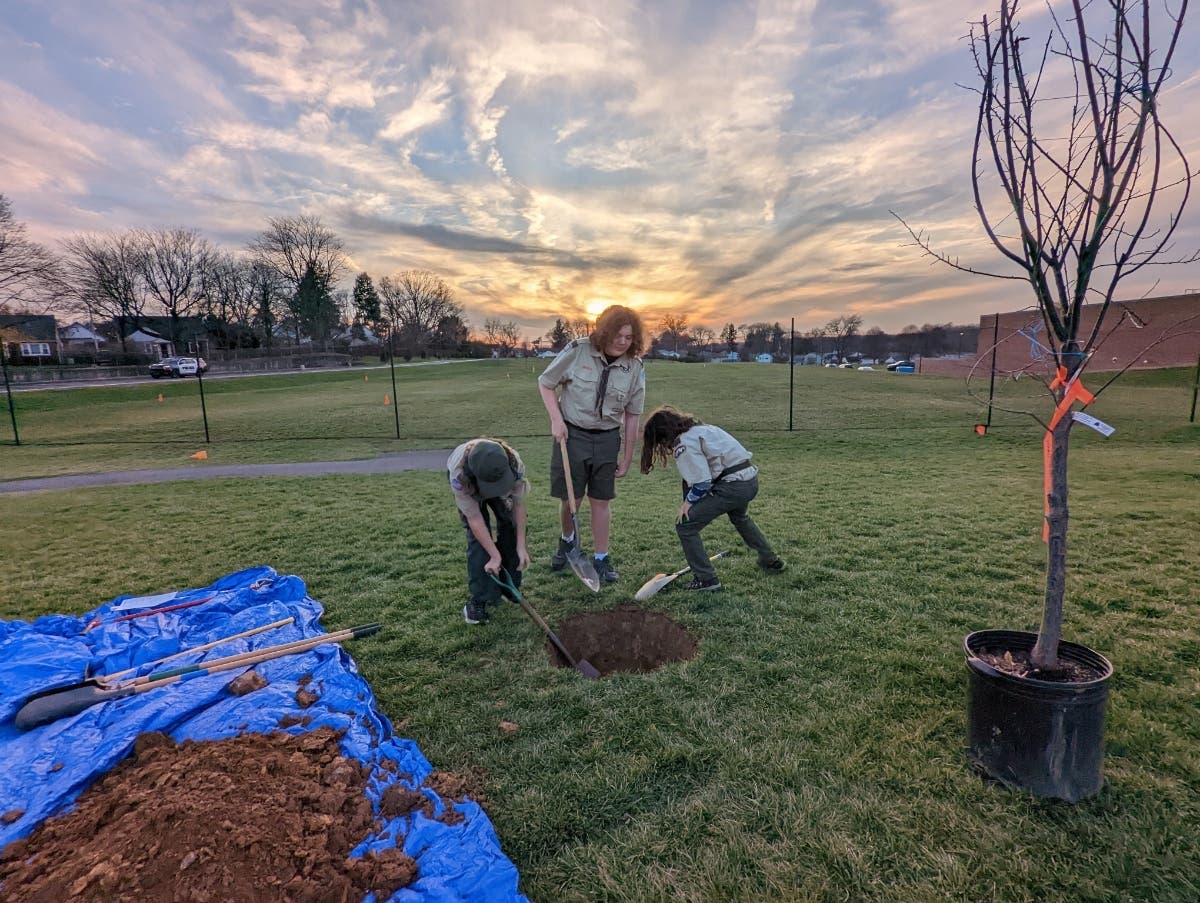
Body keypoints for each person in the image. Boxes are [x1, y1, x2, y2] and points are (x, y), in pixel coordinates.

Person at [537, 305, 646, 583]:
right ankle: (567, 540)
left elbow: (633, 415)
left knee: (601, 500)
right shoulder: (578, 350)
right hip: (572, 435)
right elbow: (546, 383)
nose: (623, 342)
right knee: (571, 498)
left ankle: (601, 558)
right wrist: (556, 421)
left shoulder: (635, 366)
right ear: (604, 331)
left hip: (608, 438)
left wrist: (627, 455)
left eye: (629, 337)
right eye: (618, 335)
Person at [639, 406, 784, 590]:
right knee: (740, 517)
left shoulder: (683, 443)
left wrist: (688, 504)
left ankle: (706, 579)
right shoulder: (705, 429)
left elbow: (702, 482)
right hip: (750, 480)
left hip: (733, 486)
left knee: (685, 526)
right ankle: (769, 559)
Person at [446, 438, 530, 625]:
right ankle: (480, 599)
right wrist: (494, 556)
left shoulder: (514, 464)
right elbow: (475, 518)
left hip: (497, 475)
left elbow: (518, 507)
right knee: (479, 543)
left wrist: (521, 546)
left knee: (511, 527)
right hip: (470, 483)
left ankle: (510, 589)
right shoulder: (459, 474)